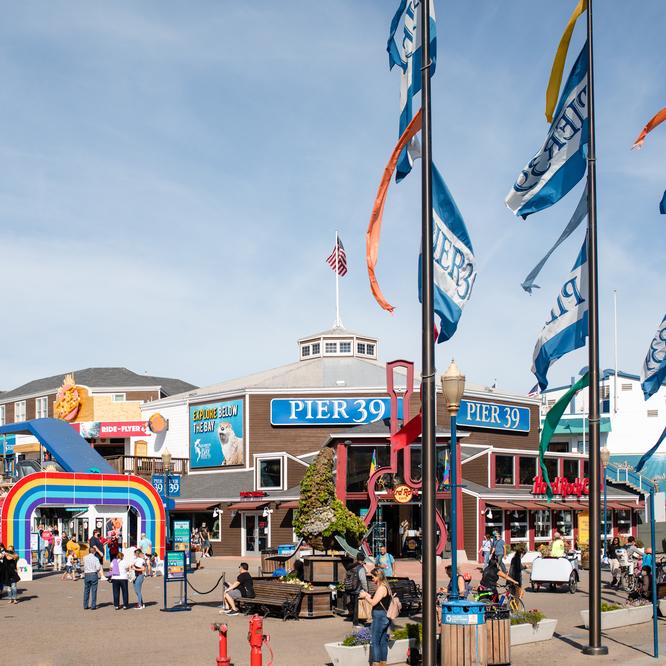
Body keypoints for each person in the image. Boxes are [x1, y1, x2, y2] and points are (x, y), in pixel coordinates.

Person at [358, 568, 392, 666]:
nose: (372, 579)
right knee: (383, 640)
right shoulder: (386, 585)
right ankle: (383, 662)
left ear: (378, 576)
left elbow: (373, 602)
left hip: (379, 616)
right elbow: (377, 599)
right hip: (385, 616)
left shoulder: (381, 588)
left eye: (373, 577)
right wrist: (368, 595)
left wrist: (365, 596)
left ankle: (376, 663)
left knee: (375, 641)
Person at [344, 552, 369, 627]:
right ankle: (355, 622)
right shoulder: (360, 568)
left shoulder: (351, 566)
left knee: (352, 604)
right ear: (362, 560)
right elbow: (363, 580)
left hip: (350, 588)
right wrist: (366, 589)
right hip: (357, 589)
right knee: (357, 607)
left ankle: (353, 618)